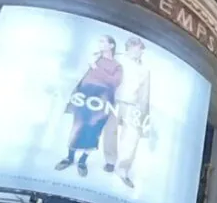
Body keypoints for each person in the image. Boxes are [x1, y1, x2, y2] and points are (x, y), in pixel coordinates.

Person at [57, 36, 123, 175]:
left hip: (103, 98)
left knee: (94, 130)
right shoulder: (93, 57)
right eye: (99, 41)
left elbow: (114, 82)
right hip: (85, 93)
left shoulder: (116, 66)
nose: (100, 44)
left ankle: (82, 161)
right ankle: (69, 157)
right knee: (78, 125)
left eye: (103, 41)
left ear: (111, 45)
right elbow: (81, 75)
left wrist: (96, 68)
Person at [101, 36, 151, 188]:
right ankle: (110, 161)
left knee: (132, 138)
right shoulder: (118, 59)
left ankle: (123, 170)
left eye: (142, 49)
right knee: (110, 131)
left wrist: (142, 113)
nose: (141, 52)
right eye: (138, 48)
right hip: (114, 100)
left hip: (133, 105)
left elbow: (145, 92)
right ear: (130, 47)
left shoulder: (145, 69)